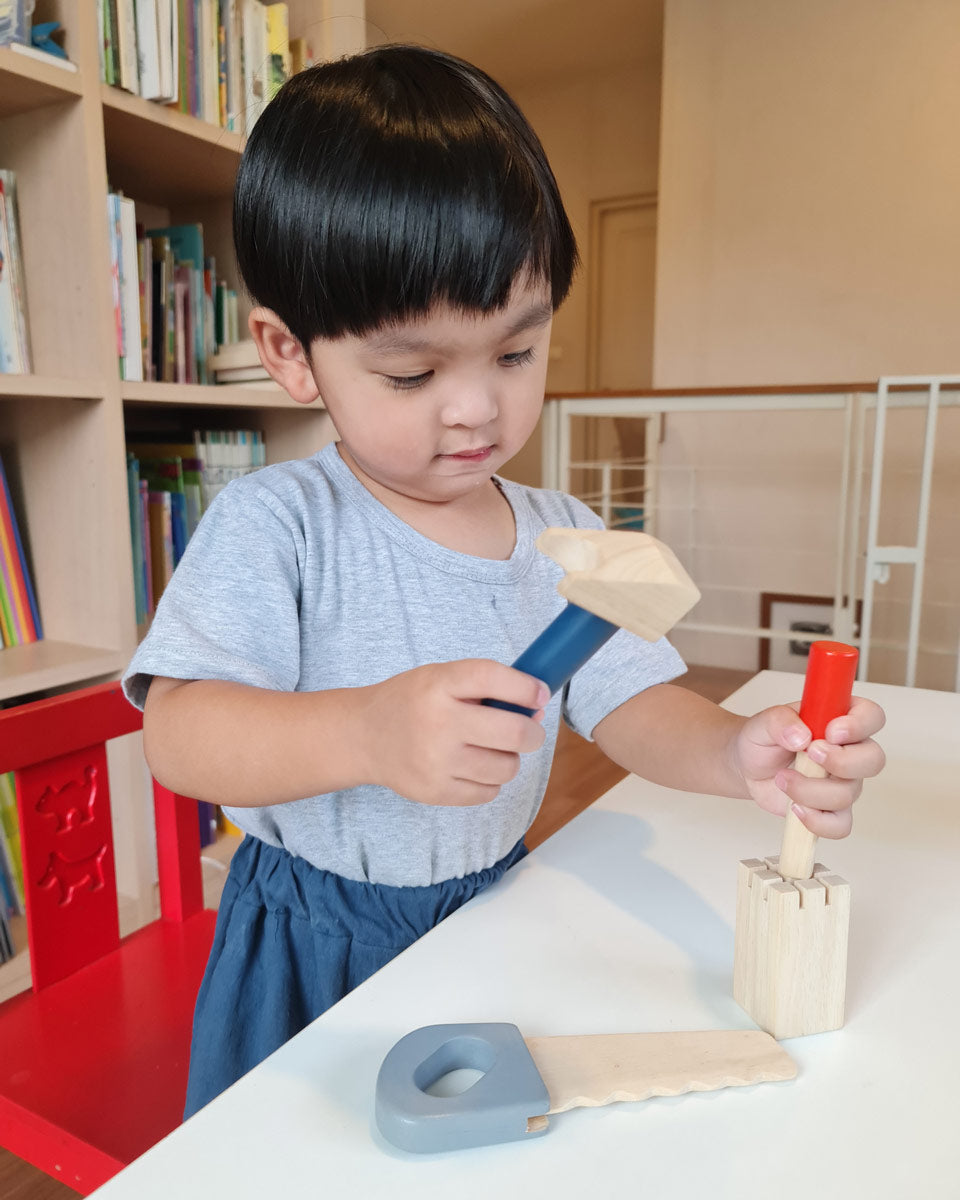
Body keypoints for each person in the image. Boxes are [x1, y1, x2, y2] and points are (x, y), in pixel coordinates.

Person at [123, 44, 885, 1117]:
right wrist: (369, 734)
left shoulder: (563, 535)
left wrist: (732, 750)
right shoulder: (279, 524)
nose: (476, 409)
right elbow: (182, 734)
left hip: (492, 904)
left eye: (516, 354)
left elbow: (628, 700)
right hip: (313, 934)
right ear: (290, 353)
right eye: (413, 373)